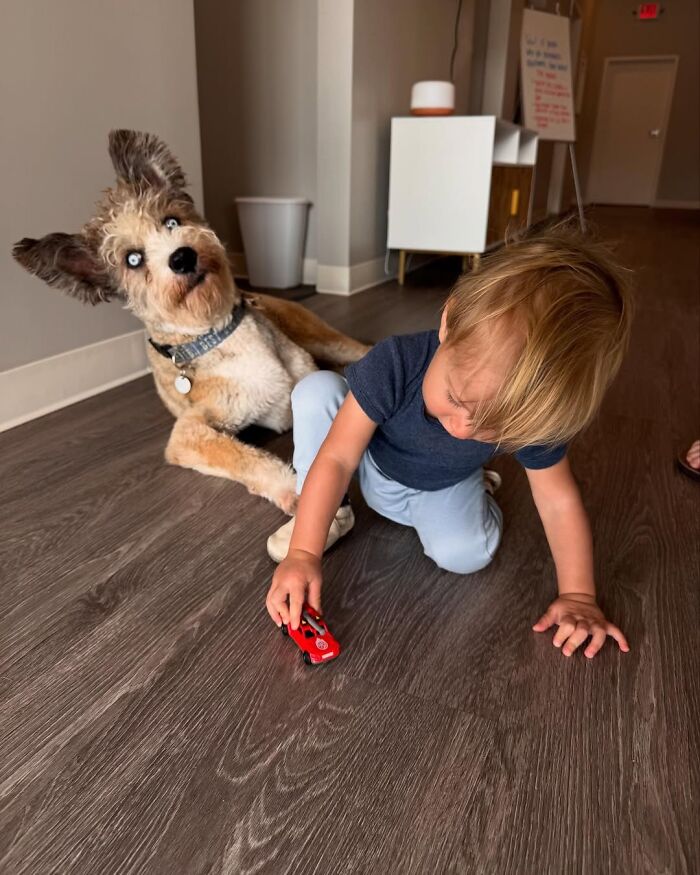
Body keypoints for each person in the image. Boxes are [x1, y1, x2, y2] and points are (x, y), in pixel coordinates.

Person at [266, 225, 634, 659]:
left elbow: (557, 500)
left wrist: (579, 596)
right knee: (316, 391)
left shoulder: (532, 412)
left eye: (493, 429)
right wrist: (304, 553)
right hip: (364, 459)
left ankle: (479, 491)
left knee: (466, 556)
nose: (462, 428)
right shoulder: (396, 363)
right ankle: (330, 515)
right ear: (448, 321)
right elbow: (339, 456)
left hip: (441, 483)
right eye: (457, 399)